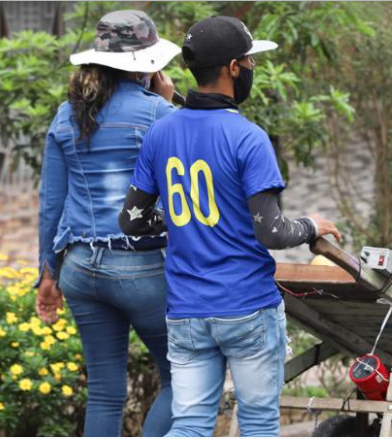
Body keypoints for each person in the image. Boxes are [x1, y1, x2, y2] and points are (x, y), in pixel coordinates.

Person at [118, 16, 342, 437]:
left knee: (190, 427)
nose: (252, 70)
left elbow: (130, 221)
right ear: (233, 69)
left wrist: (173, 228)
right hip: (247, 308)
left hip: (185, 311)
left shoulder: (160, 133)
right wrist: (311, 226)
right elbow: (272, 232)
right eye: (250, 62)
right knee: (258, 425)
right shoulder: (249, 137)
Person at [35, 10, 180, 437]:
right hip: (140, 269)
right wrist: (167, 105)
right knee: (184, 378)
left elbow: (51, 204)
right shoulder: (159, 113)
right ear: (147, 63)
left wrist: (48, 274)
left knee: (104, 392)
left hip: (79, 267)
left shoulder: (66, 115)